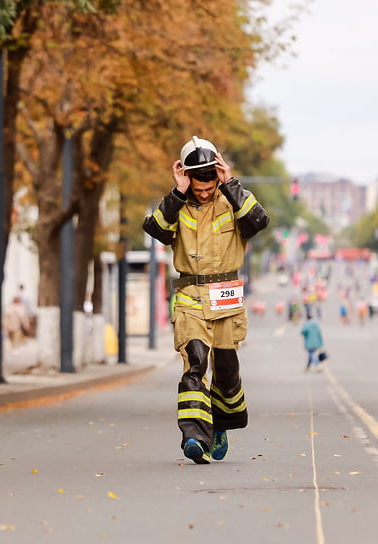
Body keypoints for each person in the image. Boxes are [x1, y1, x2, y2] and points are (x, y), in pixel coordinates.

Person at [143, 135, 269, 465]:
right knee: (194, 362)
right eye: (197, 187)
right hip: (190, 296)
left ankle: (219, 425)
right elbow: (154, 229)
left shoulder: (233, 201)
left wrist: (231, 185)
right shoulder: (178, 204)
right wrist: (178, 191)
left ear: (217, 175)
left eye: (208, 186)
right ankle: (194, 436)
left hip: (226, 294)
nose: (203, 192)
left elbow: (259, 222)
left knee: (226, 371)